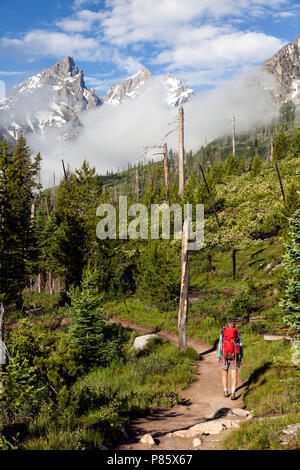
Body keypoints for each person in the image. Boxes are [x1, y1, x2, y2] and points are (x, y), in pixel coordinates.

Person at [217, 318, 243, 400]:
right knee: (234, 374)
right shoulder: (237, 333)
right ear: (234, 325)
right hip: (234, 356)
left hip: (224, 355)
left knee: (224, 374)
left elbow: (220, 344)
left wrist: (219, 355)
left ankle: (225, 391)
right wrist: (241, 357)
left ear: (227, 324)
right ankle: (233, 393)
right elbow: (240, 346)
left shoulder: (223, 332)